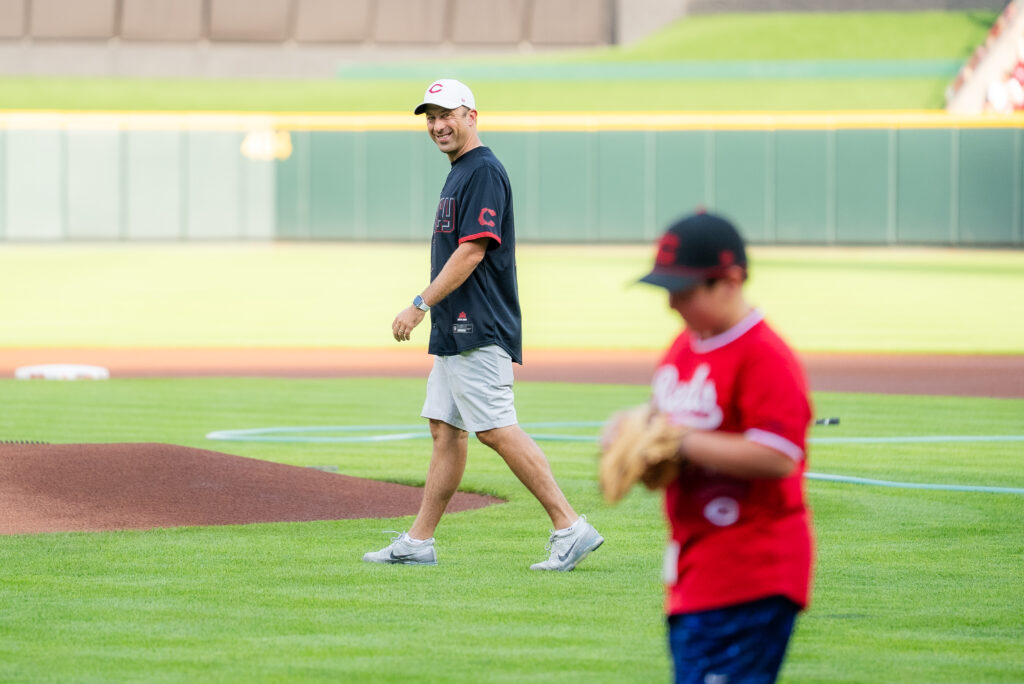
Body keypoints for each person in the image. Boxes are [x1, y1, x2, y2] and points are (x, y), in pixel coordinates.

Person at [362, 78, 603, 571]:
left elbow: (472, 250)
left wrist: (418, 303)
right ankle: (419, 542)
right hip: (458, 326)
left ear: (472, 115)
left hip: (478, 323)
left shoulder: (483, 170)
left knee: (495, 429)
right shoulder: (461, 170)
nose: (437, 125)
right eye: (430, 117)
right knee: (445, 430)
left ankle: (569, 526)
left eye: (446, 114)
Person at [632, 211, 814, 683]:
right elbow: (665, 430)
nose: (672, 303)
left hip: (753, 571)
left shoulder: (764, 355)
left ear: (729, 282)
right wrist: (635, 438)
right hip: (694, 569)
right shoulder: (682, 349)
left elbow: (778, 455)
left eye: (684, 291)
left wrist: (683, 442)